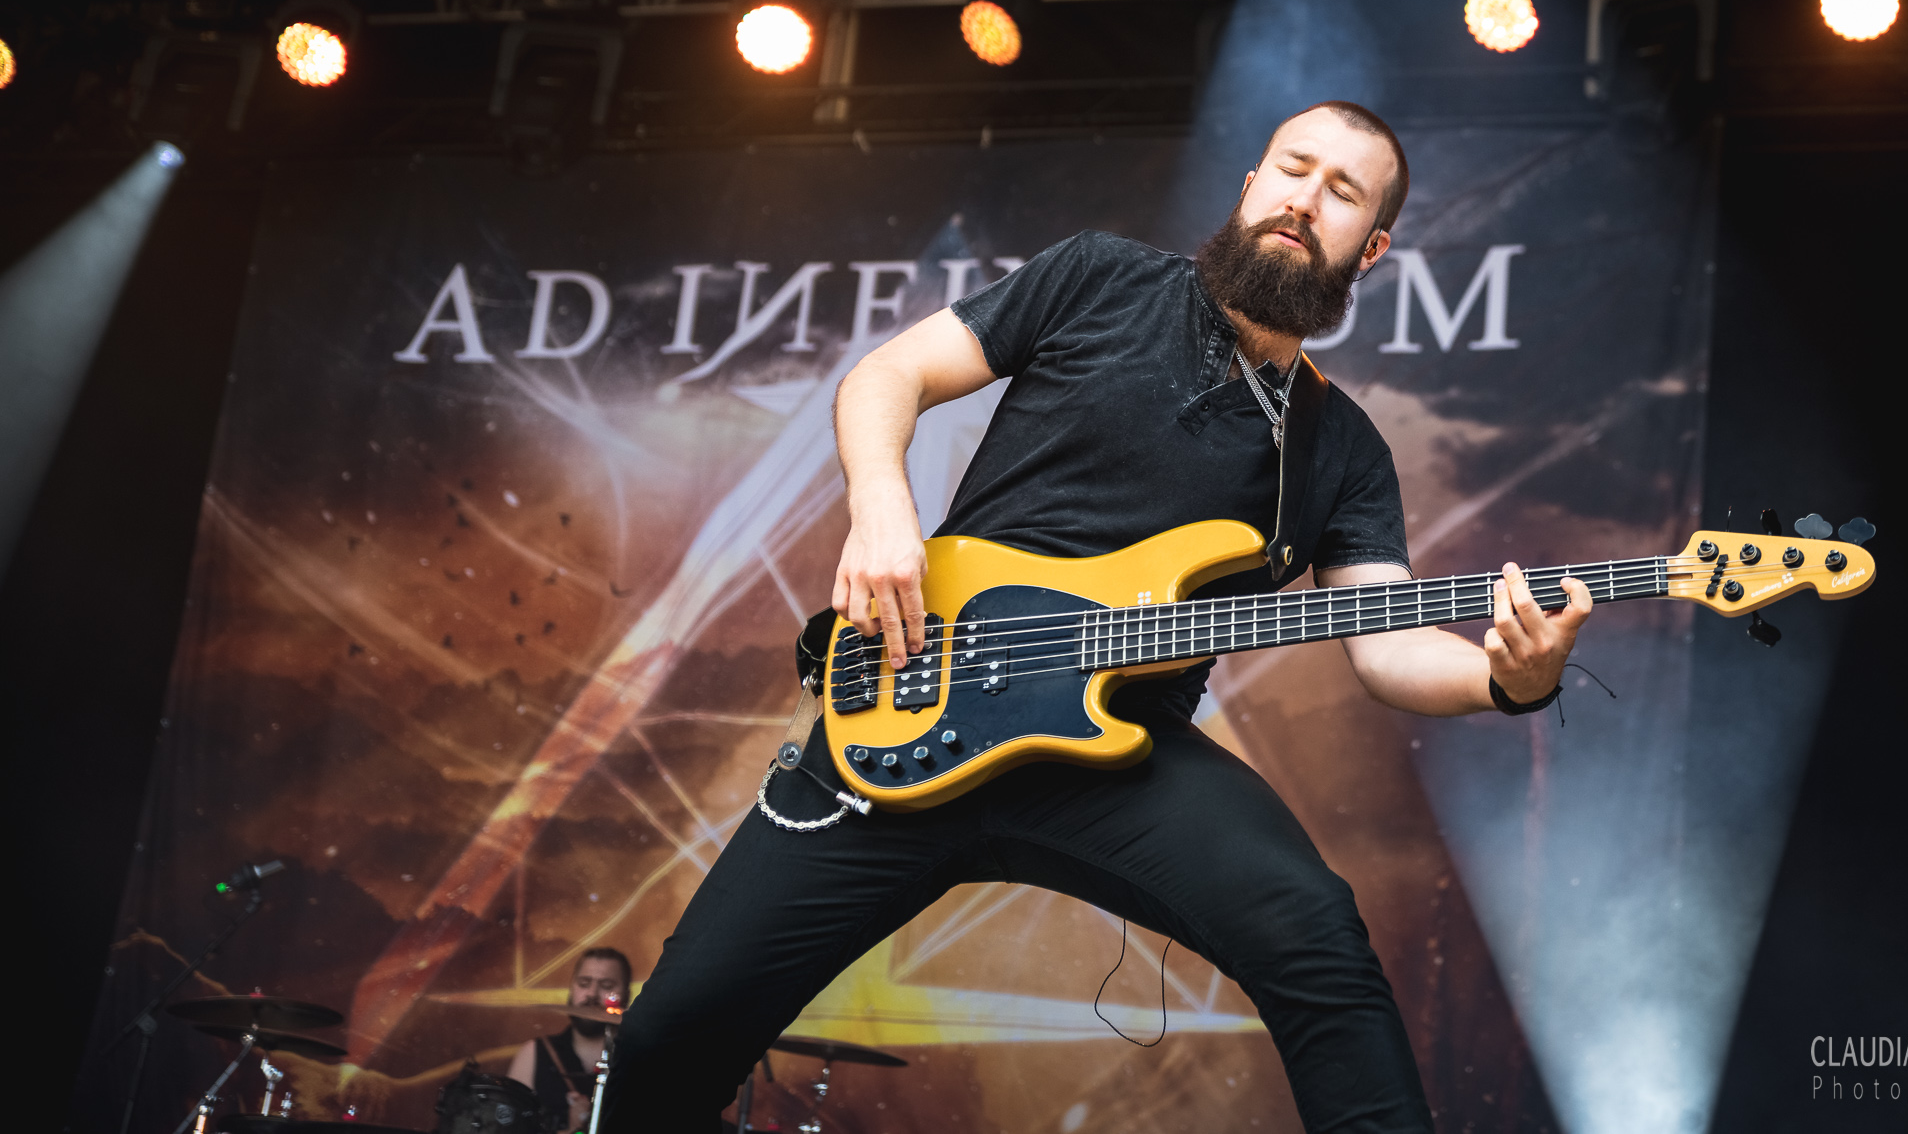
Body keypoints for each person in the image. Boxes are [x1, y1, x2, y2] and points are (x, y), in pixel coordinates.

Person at [608, 101, 1591, 1133]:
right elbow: (886, 376)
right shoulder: (1098, 277)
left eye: (1341, 192)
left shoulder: (1337, 450)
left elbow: (1387, 645)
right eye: (1292, 169)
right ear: (1250, 183)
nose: (1305, 198)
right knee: (668, 1037)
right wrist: (882, 513)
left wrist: (1506, 680)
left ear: (1370, 246)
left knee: (1316, 939)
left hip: (1119, 754)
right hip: (910, 708)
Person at [507, 947, 632, 1131]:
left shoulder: (641, 1060)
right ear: (571, 990)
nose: (592, 994)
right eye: (583, 983)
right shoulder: (534, 1053)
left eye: (606, 986)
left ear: (627, 996)